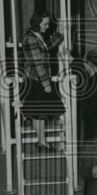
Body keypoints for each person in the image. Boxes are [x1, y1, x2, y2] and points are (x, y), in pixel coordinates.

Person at [20, 11, 65, 148]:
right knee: (39, 113)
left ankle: (41, 140)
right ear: (37, 23)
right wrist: (46, 84)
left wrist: (60, 35)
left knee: (38, 113)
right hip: (37, 80)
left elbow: (48, 46)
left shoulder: (37, 36)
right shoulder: (31, 38)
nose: (47, 27)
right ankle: (41, 141)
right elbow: (38, 63)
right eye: (45, 24)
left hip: (38, 79)